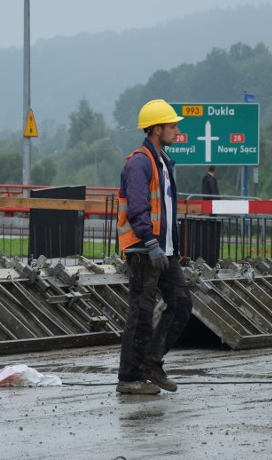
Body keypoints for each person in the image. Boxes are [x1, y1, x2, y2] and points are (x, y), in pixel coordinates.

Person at [115, 99, 193, 395]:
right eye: (172, 125)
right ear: (156, 129)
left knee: (182, 304)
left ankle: (151, 361)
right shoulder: (139, 162)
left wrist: (168, 246)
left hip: (164, 251)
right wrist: (149, 241)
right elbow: (137, 206)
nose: (177, 130)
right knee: (141, 313)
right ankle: (129, 378)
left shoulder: (162, 162)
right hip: (144, 249)